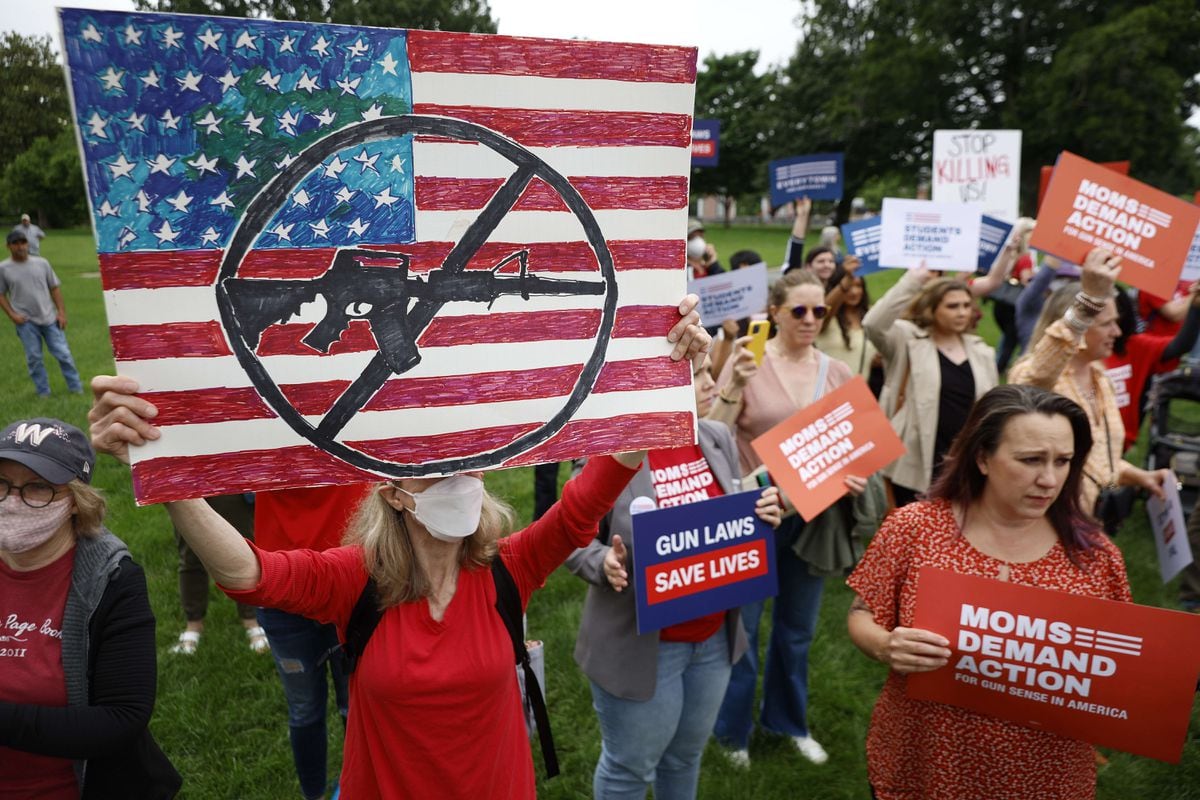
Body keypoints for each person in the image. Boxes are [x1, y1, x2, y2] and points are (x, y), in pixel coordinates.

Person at [88, 299, 710, 799]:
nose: (459, 478)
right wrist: (162, 469)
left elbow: (583, 506)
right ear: (393, 494)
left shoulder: (508, 570)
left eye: (470, 464)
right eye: (435, 470)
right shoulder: (354, 579)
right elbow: (250, 574)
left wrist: (660, 382)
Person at [846, 384, 1132, 800]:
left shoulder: (1096, 558)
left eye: (1063, 461)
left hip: (1044, 775)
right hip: (924, 761)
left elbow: (1122, 664)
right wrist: (886, 645)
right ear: (982, 457)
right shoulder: (915, 528)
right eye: (1030, 460)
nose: (1048, 478)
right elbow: (860, 612)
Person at [566, 354, 782, 798]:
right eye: (697, 375)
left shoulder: (717, 435)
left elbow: (729, 516)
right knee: (630, 769)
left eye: (706, 372)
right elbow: (569, 537)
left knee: (685, 758)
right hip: (643, 646)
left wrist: (763, 512)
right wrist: (603, 563)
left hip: (712, 641)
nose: (711, 383)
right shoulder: (610, 452)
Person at [707, 270, 866, 766]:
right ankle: (733, 732)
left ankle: (788, 722)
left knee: (797, 629)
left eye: (819, 310)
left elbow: (855, 443)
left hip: (815, 518)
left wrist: (855, 473)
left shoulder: (837, 371)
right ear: (774, 312)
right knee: (744, 629)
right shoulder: (749, 363)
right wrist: (734, 381)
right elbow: (713, 433)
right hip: (754, 513)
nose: (811, 319)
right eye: (799, 310)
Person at [0, 417, 181, 798]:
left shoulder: (112, 579)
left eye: (37, 488)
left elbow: (121, 719)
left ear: (74, 501)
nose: (12, 502)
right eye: (1, 484)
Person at [1007, 248, 1166, 515]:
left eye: (1116, 323)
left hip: (1089, 524)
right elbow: (1037, 377)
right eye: (1106, 324)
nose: (1116, 332)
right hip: (1049, 522)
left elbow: (1099, 458)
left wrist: (1140, 476)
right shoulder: (1038, 378)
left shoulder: (1100, 378)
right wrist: (1089, 300)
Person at [254, 484, 369, 800]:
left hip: (350, 583)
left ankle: (356, 787)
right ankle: (315, 793)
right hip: (283, 591)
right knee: (306, 710)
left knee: (357, 705)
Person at [863, 268, 999, 507]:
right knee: (914, 533)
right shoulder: (908, 341)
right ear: (932, 308)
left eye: (966, 306)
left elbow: (992, 411)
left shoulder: (982, 352)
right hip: (914, 462)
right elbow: (873, 324)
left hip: (963, 462)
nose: (962, 312)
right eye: (952, 306)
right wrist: (913, 280)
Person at [167, 494, 269, 655]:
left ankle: (252, 620)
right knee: (190, 556)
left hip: (230, 477)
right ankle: (193, 623)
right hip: (186, 477)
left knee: (244, 552)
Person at [0, 230, 83, 398]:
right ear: (8, 246)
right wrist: (12, 315)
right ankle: (43, 392)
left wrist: (61, 313)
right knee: (34, 358)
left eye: (23, 242)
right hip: (26, 322)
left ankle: (76, 389)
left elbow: (55, 288)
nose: (20, 246)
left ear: (27, 244)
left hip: (50, 318)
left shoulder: (42, 263)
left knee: (64, 354)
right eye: (15, 243)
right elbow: (1, 294)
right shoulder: (3, 268)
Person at [817, 260, 878, 387]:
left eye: (858, 286)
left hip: (856, 397)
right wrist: (846, 280)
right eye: (850, 287)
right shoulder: (824, 318)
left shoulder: (870, 316)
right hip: (825, 394)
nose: (854, 292)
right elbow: (822, 314)